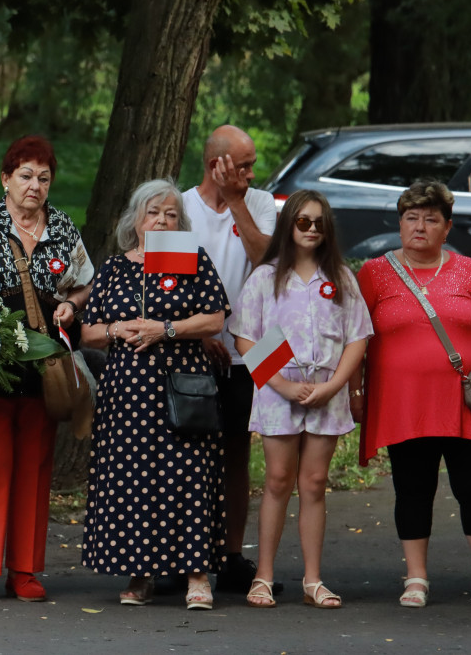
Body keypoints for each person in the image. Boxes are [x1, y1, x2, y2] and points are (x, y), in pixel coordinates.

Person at [0, 135, 94, 602]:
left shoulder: (63, 228)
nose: (35, 186)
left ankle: (24, 569)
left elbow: (84, 283)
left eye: (44, 178)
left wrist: (70, 304)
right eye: (25, 176)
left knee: (35, 461)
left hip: (46, 360)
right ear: (6, 178)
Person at [352, 180, 471, 610]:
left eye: (430, 219)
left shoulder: (469, 271)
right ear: (400, 223)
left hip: (467, 403)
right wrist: (355, 389)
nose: (419, 226)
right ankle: (416, 578)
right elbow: (354, 337)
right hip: (404, 404)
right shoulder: (374, 273)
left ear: (447, 227)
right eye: (411, 217)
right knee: (412, 488)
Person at [80, 179, 228, 609]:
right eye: (153, 212)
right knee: (133, 479)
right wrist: (116, 329)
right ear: (136, 219)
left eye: (170, 214)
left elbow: (215, 318)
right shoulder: (113, 268)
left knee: (188, 474)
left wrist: (164, 330)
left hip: (182, 385)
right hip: (128, 392)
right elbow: (89, 331)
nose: (161, 220)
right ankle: (139, 573)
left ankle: (196, 575)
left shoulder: (191, 260)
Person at [230, 190, 372, 609]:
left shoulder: (341, 278)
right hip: (279, 392)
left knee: (313, 483)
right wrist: (281, 385)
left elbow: (357, 338)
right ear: (289, 226)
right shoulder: (265, 277)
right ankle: (264, 576)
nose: (311, 229)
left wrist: (334, 387)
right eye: (303, 222)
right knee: (276, 481)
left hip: (327, 392)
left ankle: (313, 579)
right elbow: (244, 337)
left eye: (319, 222)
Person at [183, 124, 277, 593]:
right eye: (242, 164)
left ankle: (232, 555)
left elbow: (269, 262)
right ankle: (183, 555)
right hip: (189, 352)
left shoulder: (258, 204)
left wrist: (236, 200)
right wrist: (198, 336)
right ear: (214, 163)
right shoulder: (178, 207)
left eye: (251, 164)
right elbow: (166, 285)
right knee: (185, 454)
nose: (250, 172)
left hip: (247, 353)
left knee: (238, 453)